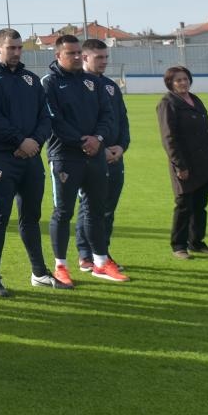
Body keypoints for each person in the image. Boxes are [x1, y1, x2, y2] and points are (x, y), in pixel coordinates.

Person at [0, 29, 54, 296]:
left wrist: (34, 143)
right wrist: (20, 141)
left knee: (31, 216)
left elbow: (46, 117)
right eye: (11, 48)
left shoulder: (32, 80)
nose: (17, 52)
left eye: (20, 48)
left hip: (31, 156)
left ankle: (39, 272)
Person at [44, 34, 123, 283]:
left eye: (79, 52)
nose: (77, 57)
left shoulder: (93, 82)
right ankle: (61, 266)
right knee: (63, 212)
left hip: (95, 154)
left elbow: (107, 115)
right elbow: (53, 120)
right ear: (58, 55)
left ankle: (100, 262)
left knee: (95, 210)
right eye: (71, 53)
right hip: (65, 157)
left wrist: (98, 139)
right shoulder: (49, 83)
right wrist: (82, 141)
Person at [156, 66, 208, 258]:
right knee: (184, 205)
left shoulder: (195, 100)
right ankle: (179, 246)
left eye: (185, 79)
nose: (183, 83)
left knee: (200, 205)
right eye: (178, 80)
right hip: (185, 163)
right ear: (170, 83)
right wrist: (180, 165)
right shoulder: (167, 103)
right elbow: (169, 138)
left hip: (203, 162)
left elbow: (206, 131)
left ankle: (197, 242)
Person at [75, 39, 130, 274]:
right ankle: (85, 255)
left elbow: (122, 120)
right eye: (99, 57)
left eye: (106, 57)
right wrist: (101, 147)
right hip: (90, 157)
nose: (104, 62)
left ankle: (103, 253)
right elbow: (78, 124)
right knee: (89, 207)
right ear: (85, 58)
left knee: (108, 209)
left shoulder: (110, 86)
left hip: (115, 157)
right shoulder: (76, 86)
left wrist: (121, 147)